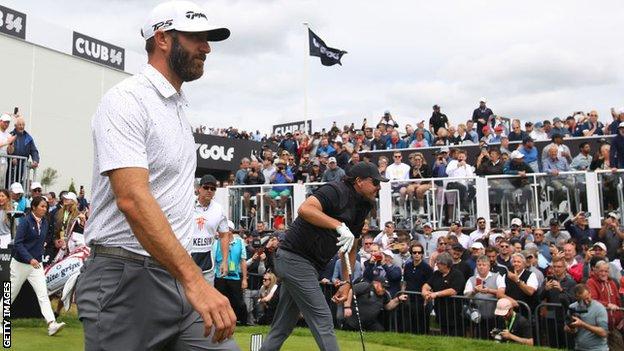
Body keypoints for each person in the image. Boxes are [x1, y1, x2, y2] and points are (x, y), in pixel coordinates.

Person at [75, 2, 239, 349]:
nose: (206, 47)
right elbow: (132, 199)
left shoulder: (177, 107)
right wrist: (195, 281)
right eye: (195, 37)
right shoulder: (126, 101)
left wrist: (189, 279)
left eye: (206, 39)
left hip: (177, 276)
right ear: (162, 39)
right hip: (126, 278)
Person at [260, 162, 387, 351]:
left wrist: (346, 282)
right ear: (359, 181)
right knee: (323, 319)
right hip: (294, 258)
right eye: (375, 182)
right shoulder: (335, 190)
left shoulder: (364, 205)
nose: (379, 187)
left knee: (283, 325)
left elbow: (350, 245)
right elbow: (305, 209)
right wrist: (338, 225)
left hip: (307, 265)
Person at [10, 196, 66, 335]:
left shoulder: (45, 222)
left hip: (36, 265)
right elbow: (18, 244)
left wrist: (49, 246)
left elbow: (43, 240)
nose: (44, 209)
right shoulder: (25, 222)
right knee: (10, 294)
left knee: (43, 294)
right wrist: (30, 259)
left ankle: (51, 323)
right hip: (20, 264)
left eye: (46, 207)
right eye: (42, 206)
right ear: (34, 207)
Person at [191, 174, 230, 285]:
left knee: (206, 300)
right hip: (187, 256)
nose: (209, 190)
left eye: (213, 188)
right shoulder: (187, 204)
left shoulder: (219, 209)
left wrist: (224, 261)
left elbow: (224, 235)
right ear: (199, 188)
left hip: (207, 259)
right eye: (206, 187)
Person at [422, 252, 466, 336]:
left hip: (455, 313)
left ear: (445, 264)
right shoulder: (436, 274)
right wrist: (425, 292)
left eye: (439, 263)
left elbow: (453, 290)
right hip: (440, 312)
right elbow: (427, 285)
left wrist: (436, 294)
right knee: (443, 335)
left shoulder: (457, 274)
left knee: (455, 336)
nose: (437, 265)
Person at [213, 221, 248, 324]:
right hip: (220, 277)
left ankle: (240, 321)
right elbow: (213, 260)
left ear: (231, 231)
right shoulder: (217, 243)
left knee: (238, 302)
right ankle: (221, 321)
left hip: (235, 277)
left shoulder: (240, 242)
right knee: (220, 301)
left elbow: (243, 260)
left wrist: (245, 279)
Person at [464, 255, 506, 339]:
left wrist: (489, 290)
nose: (481, 267)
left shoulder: (497, 276)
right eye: (479, 265)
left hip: (495, 316)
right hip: (478, 317)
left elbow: (502, 292)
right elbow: (466, 296)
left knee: (496, 339)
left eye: (484, 265)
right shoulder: (471, 279)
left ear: (489, 266)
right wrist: (474, 292)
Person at [565, 284, 609, 351]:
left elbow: (604, 333)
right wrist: (570, 328)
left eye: (587, 298)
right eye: (582, 300)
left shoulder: (599, 308)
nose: (586, 302)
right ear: (576, 298)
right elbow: (566, 327)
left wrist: (583, 324)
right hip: (579, 348)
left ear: (590, 293)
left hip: (597, 349)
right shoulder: (572, 307)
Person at [6, 116, 39, 186]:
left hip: (22, 166)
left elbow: (34, 151)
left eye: (23, 125)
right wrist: (11, 158)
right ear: (15, 126)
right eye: (20, 125)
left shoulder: (28, 137)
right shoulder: (10, 135)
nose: (22, 126)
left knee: (17, 184)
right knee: (8, 184)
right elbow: (5, 149)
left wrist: (35, 160)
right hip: (9, 166)